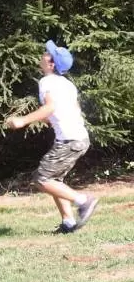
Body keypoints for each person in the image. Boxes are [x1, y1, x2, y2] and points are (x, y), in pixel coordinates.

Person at [6, 40, 98, 233]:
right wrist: (48, 119)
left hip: (69, 140)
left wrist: (22, 120)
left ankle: (84, 201)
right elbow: (71, 110)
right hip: (79, 138)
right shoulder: (67, 85)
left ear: (51, 64)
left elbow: (50, 107)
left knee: (41, 179)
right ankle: (68, 222)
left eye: (48, 54)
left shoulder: (47, 81)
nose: (44, 54)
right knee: (55, 180)